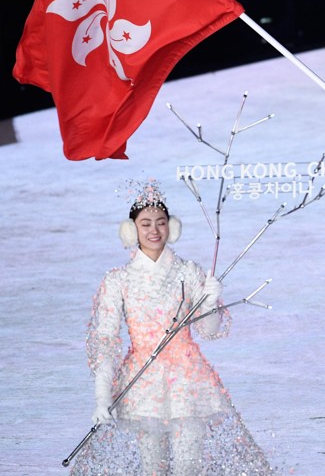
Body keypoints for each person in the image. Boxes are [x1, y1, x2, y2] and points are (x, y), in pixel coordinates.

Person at [72, 181, 271, 475]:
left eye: (161, 223)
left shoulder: (188, 272)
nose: (154, 231)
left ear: (171, 227)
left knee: (188, 467)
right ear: (132, 230)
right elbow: (106, 340)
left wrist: (210, 301)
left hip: (188, 381)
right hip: (141, 383)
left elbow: (210, 330)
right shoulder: (118, 281)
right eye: (146, 224)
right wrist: (102, 396)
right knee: (153, 467)